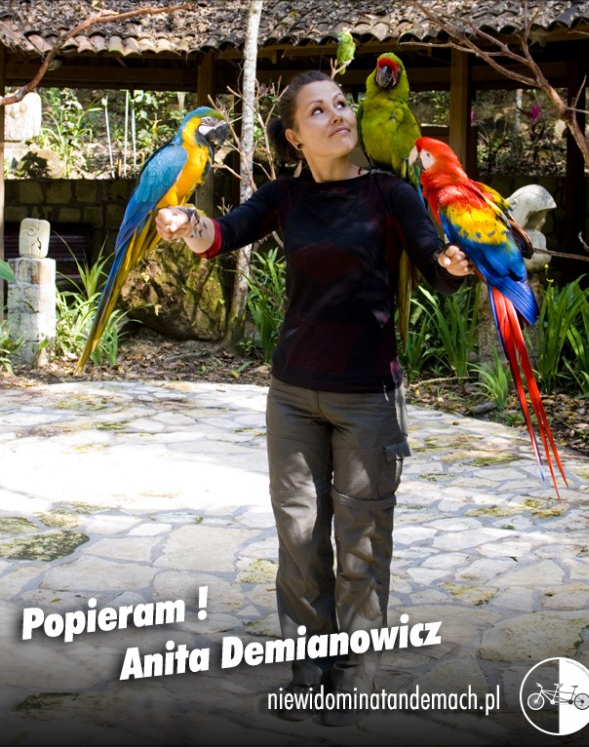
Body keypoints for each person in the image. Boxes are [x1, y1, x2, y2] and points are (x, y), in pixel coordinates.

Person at [155, 71, 471, 726]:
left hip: (368, 397)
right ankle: (307, 669)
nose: (338, 115)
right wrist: (187, 223)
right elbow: (223, 234)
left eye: (341, 103)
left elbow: (432, 258)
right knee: (299, 540)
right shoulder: (284, 197)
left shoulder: (392, 193)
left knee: (361, 544)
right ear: (295, 137)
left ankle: (357, 671)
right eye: (318, 110)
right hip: (293, 395)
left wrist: (454, 263)